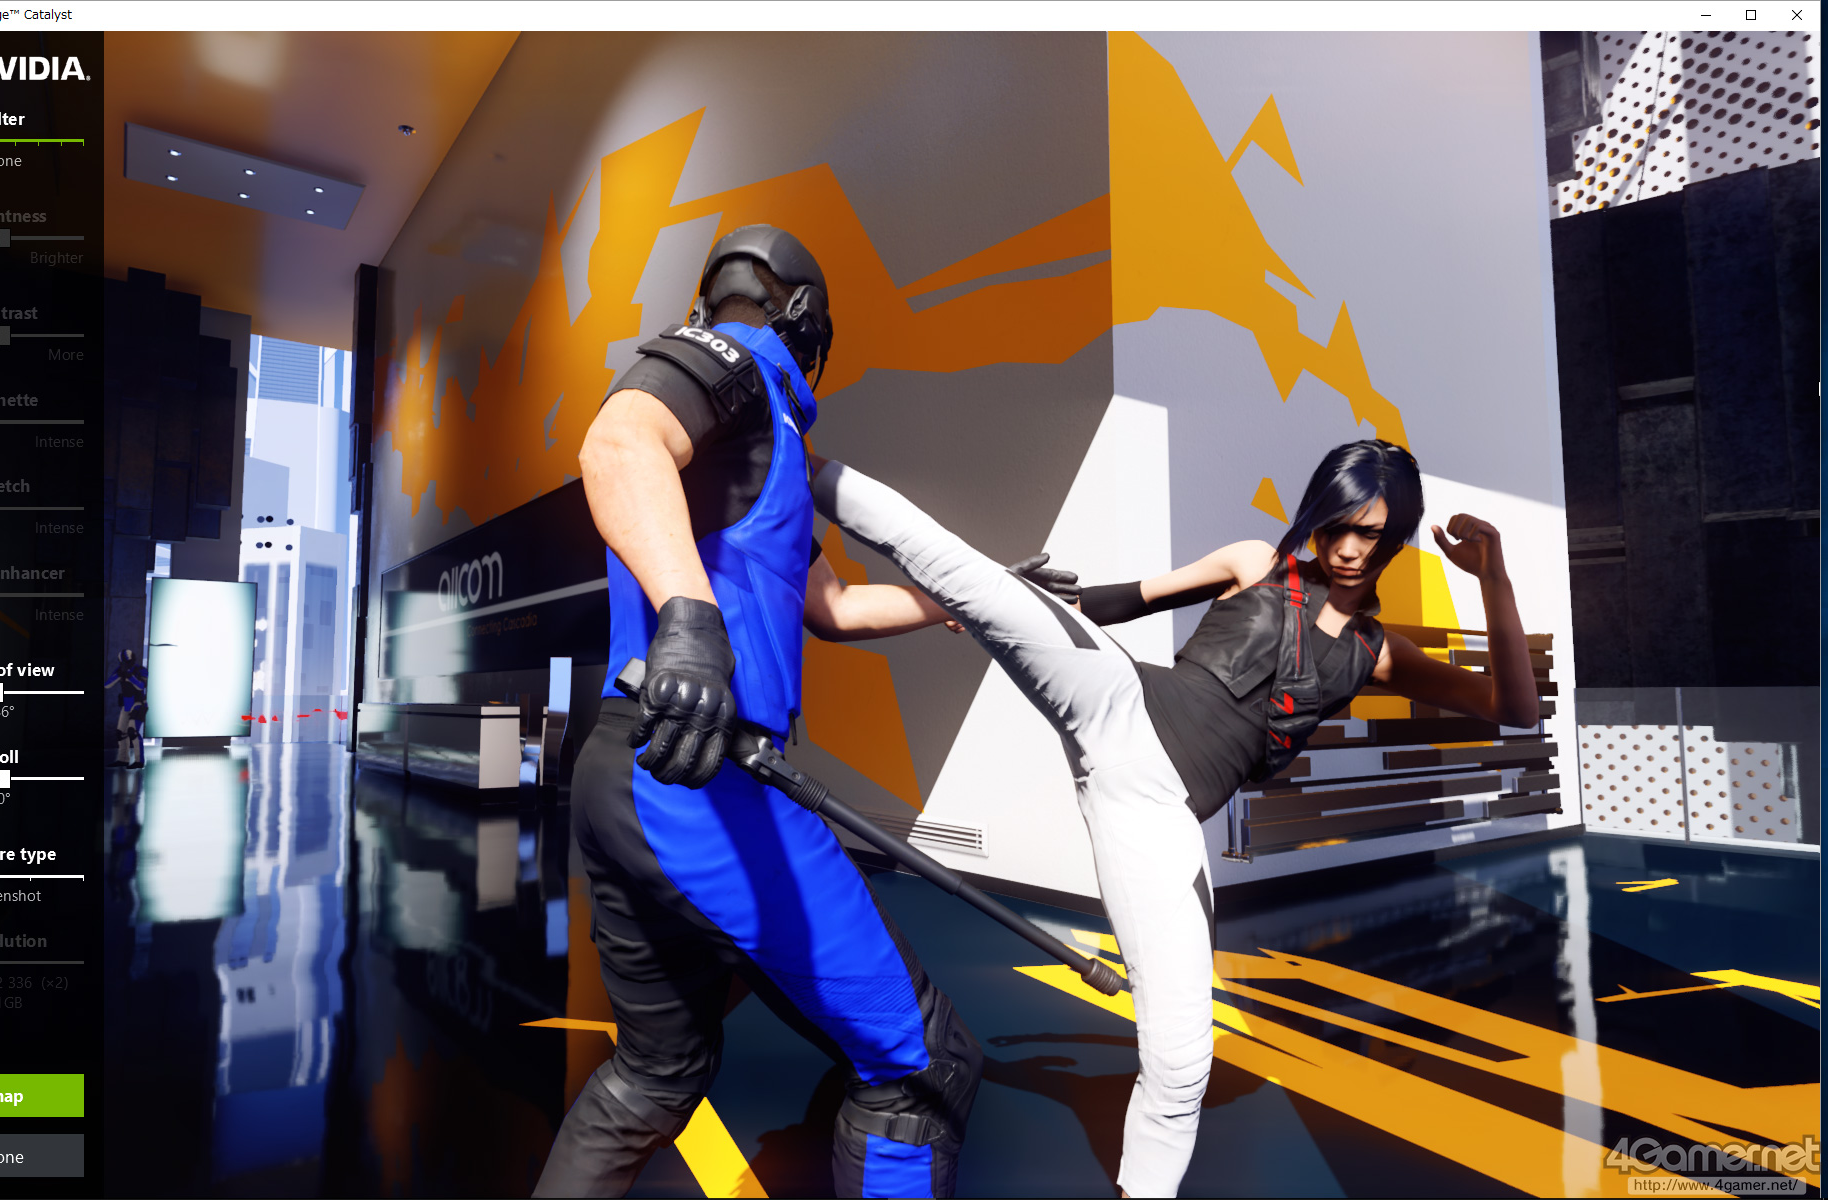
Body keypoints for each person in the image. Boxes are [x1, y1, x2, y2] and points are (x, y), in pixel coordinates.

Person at [808, 439, 1537, 1198]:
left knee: (1183, 1060)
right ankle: (793, 457)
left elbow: (1512, 706)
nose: (1349, 549)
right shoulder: (1257, 563)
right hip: (1120, 699)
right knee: (965, 572)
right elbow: (1124, 600)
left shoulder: (1376, 651)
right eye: (1335, 526)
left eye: (1371, 534)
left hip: (1156, 814)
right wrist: (1012, 606)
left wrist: (1494, 576)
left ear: (1397, 537)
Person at [538, 226, 1044, 1198]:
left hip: (626, 774)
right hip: (705, 784)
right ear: (807, 325)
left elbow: (834, 607)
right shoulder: (734, 365)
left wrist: (967, 599)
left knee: (655, 1073)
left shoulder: (760, 448)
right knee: (921, 1068)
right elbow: (618, 441)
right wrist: (690, 617)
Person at [104, 648, 149, 769]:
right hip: (126, 705)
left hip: (138, 704)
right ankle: (123, 759)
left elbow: (141, 687)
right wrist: (120, 674)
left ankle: (139, 761)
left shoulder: (141, 670)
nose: (126, 665)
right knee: (120, 733)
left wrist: (130, 676)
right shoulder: (120, 670)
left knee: (132, 732)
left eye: (127, 662)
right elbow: (107, 685)